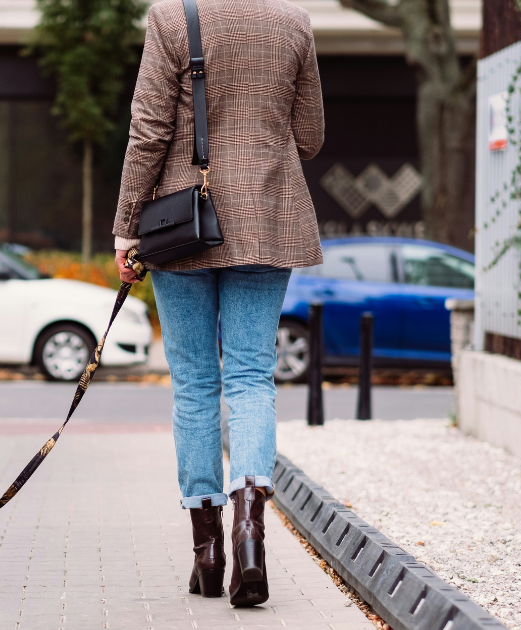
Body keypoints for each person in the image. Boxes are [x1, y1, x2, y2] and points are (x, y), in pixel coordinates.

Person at [112, 0, 324, 606]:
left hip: (183, 222)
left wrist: (127, 225)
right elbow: (308, 136)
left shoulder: (172, 19)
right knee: (254, 378)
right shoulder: (295, 22)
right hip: (268, 216)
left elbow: (149, 131)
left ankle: (208, 554)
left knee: (197, 386)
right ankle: (251, 539)